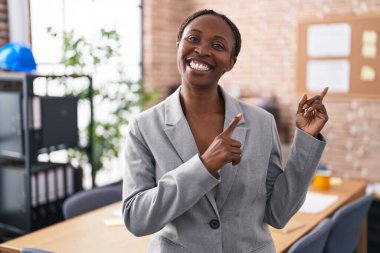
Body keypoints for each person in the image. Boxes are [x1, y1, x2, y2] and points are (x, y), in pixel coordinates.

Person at [122, 9, 328, 253]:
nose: (202, 50)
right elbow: (136, 218)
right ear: (178, 45)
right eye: (193, 38)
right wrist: (203, 166)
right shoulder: (144, 126)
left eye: (218, 45)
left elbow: (277, 213)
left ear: (230, 62)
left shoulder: (262, 122)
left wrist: (307, 140)